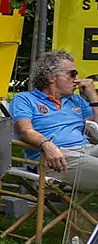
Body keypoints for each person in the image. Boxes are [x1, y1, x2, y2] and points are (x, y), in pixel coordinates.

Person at [10, 49, 98, 185]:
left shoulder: (77, 100)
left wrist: (93, 97)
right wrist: (47, 144)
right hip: (55, 156)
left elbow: (96, 126)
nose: (77, 79)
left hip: (86, 149)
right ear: (51, 77)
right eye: (72, 74)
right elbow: (26, 132)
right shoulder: (25, 99)